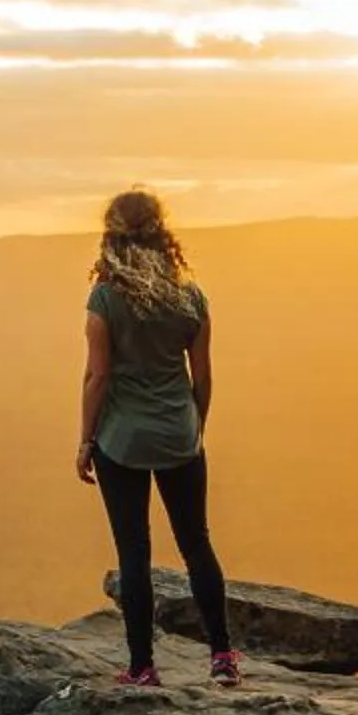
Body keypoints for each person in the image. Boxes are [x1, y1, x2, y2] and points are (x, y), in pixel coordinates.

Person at [76, 189, 238, 688]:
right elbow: (204, 375)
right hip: (179, 435)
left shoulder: (104, 298)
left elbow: (98, 377)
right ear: (162, 231)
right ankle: (223, 657)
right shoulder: (191, 296)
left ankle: (143, 667)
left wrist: (85, 440)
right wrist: (195, 425)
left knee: (134, 552)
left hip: (121, 439)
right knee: (197, 543)